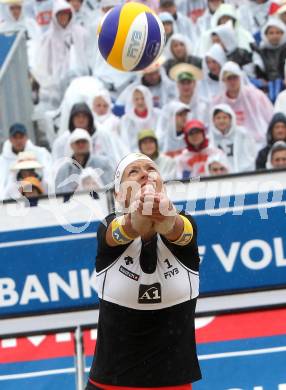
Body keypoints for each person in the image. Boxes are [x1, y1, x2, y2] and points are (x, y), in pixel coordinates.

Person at [86, 152, 202, 389]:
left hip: (173, 383)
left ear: (163, 185)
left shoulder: (185, 223)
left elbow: (177, 230)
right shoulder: (108, 226)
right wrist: (139, 214)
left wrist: (166, 215)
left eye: (150, 169)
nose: (144, 174)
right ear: (119, 194)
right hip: (110, 383)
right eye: (133, 171)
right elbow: (126, 229)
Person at [32, 0, 89, 108]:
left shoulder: (81, 33)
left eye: (66, 14)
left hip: (80, 80)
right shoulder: (48, 38)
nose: (63, 17)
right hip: (56, 86)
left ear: (70, 15)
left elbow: (89, 55)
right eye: (60, 14)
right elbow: (43, 64)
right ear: (55, 16)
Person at [212, 61, 274, 150]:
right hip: (227, 144)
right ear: (223, 80)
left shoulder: (256, 96)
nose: (232, 82)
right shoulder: (217, 101)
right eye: (229, 78)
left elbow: (270, 117)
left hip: (257, 142)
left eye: (235, 78)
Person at [0, 123, 52, 200]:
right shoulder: (2, 160)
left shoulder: (41, 153)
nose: (18, 140)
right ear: (10, 139)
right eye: (15, 137)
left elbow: (48, 182)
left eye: (21, 137)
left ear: (26, 137)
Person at [54, 128, 113, 194]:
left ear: (89, 143)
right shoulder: (63, 170)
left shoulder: (103, 163)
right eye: (77, 142)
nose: (81, 145)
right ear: (71, 145)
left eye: (84, 141)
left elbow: (111, 189)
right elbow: (59, 196)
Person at [209, 104, 256, 172]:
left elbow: (250, 157)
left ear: (231, 119)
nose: (221, 121)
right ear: (213, 120)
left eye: (225, 117)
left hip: (242, 175)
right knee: (193, 180)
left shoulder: (243, 134)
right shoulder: (209, 138)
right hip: (217, 175)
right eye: (218, 118)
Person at [120, 86, 161, 152]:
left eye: (143, 98)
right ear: (132, 100)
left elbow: (161, 136)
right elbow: (125, 141)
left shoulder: (158, 114)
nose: (140, 102)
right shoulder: (126, 119)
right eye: (136, 99)